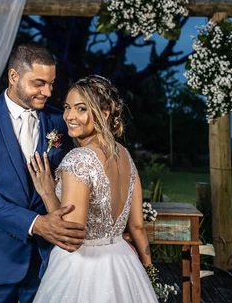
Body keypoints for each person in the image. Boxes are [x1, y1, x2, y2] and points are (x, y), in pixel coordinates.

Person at [0, 43, 87, 303]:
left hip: (47, 262)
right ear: (14, 76)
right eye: (39, 83)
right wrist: (37, 224)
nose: (48, 92)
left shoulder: (59, 121)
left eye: (51, 84)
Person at [28, 75, 159, 302]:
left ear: (104, 114)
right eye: (67, 108)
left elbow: (71, 237)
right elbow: (137, 226)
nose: (69, 116)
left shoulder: (79, 159)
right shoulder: (125, 156)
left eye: (81, 109)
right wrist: (149, 272)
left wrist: (47, 192)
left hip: (82, 270)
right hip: (123, 263)